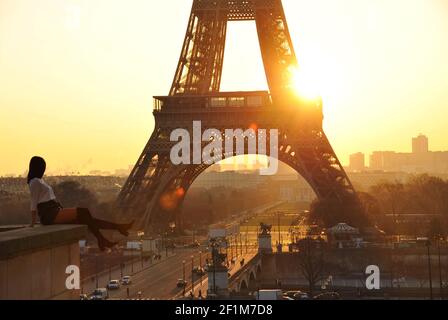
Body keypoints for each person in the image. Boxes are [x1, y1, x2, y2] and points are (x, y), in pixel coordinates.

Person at [27, 156, 133, 251]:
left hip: (53, 210)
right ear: (38, 167)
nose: (44, 169)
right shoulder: (35, 182)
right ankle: (108, 235)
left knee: (88, 219)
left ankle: (115, 230)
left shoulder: (39, 181)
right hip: (49, 214)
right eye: (43, 166)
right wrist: (33, 222)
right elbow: (34, 202)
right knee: (84, 212)